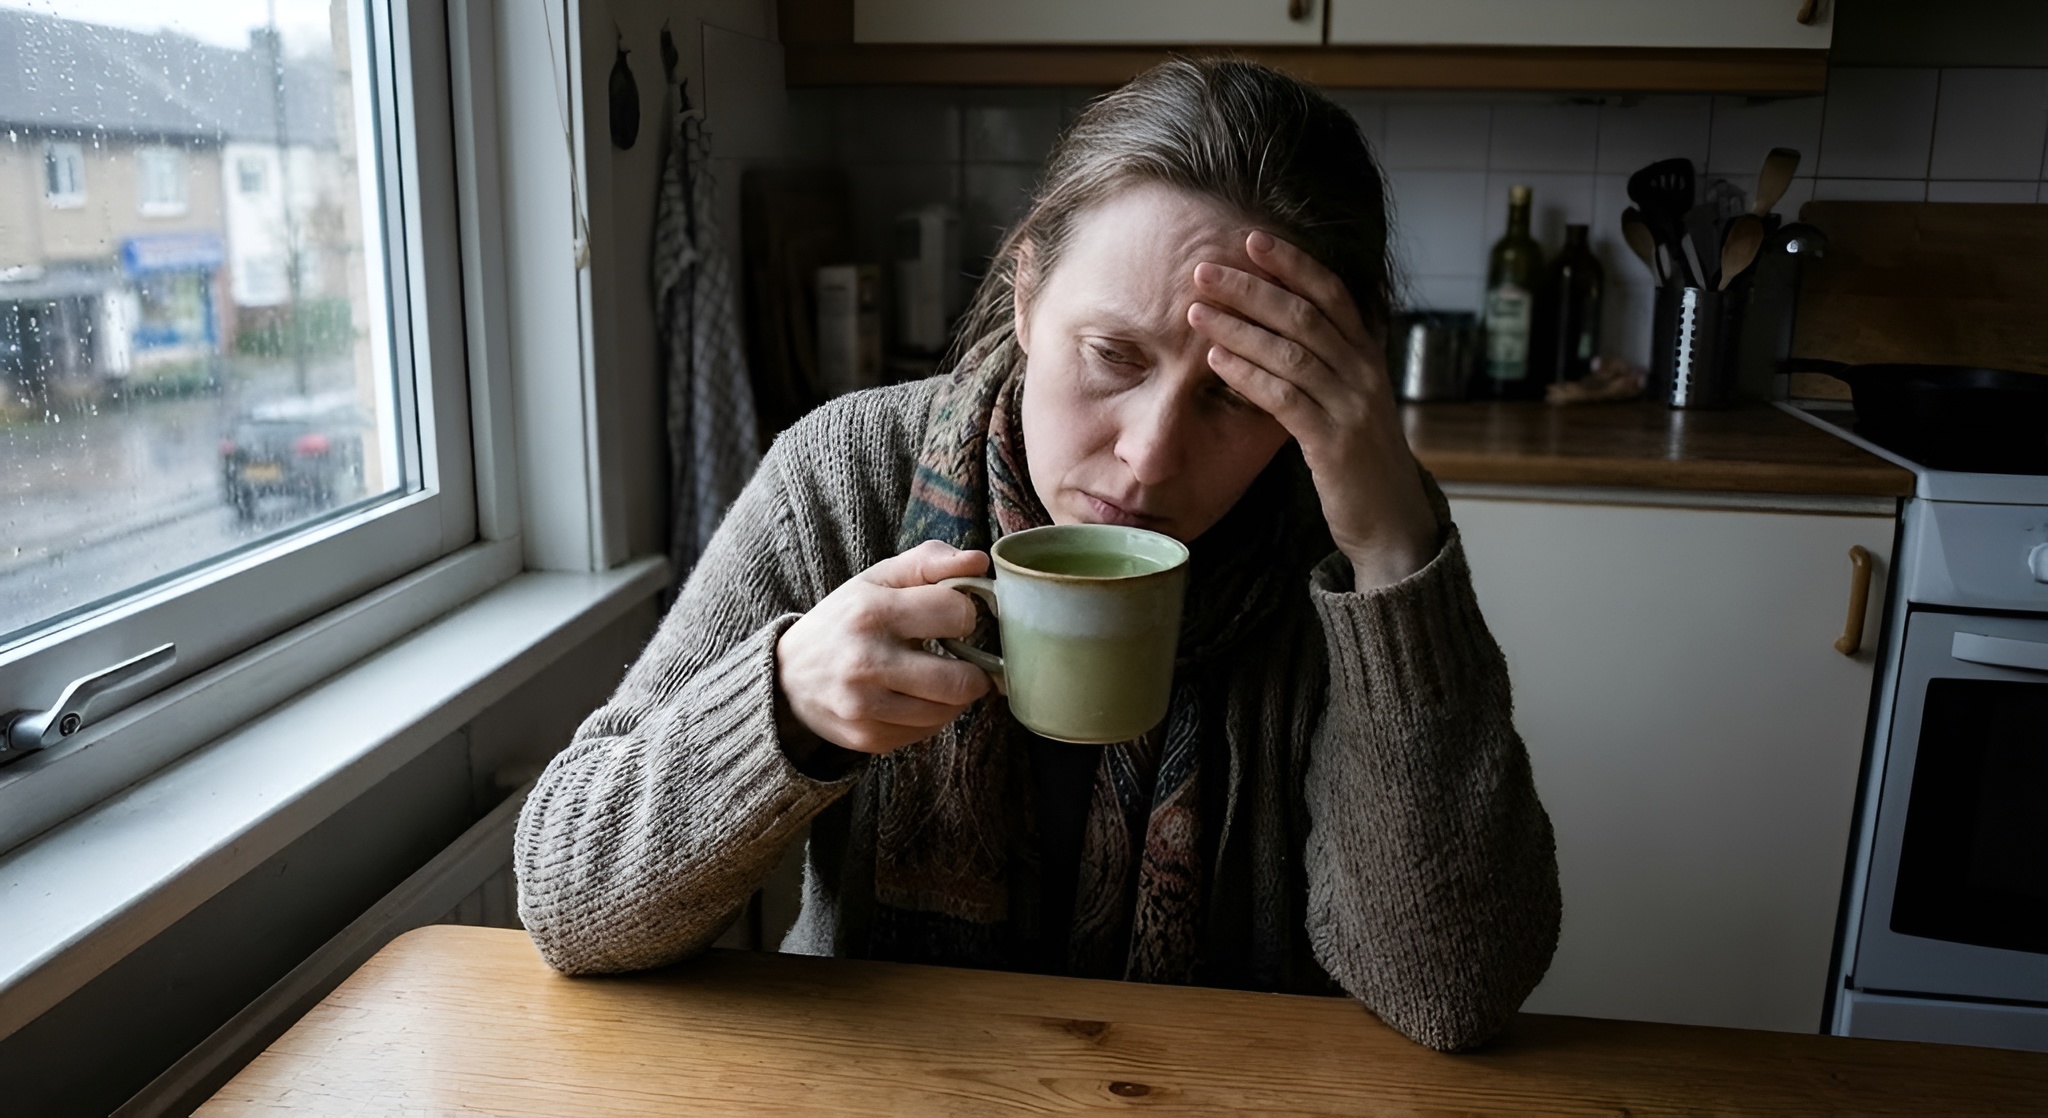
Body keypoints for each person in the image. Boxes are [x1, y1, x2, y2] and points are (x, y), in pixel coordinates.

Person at [515, 58, 1559, 1053]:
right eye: (1112, 355)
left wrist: (1389, 548)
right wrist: (781, 703)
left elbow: (1446, 992)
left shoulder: (1340, 544)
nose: (1148, 457)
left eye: (1232, 395)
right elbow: (569, 897)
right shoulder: (850, 477)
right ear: (1024, 297)